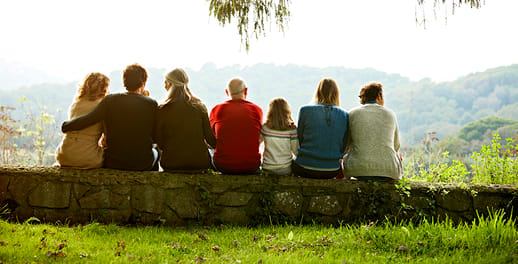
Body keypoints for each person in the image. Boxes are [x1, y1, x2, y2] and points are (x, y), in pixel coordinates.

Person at [61, 64, 159, 171]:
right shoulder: (151, 104)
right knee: (156, 152)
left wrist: (66, 126)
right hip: (142, 163)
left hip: (113, 161)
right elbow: (155, 136)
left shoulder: (110, 100)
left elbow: (89, 119)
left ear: (124, 82)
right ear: (143, 83)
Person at [155, 68, 216, 171]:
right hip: (199, 163)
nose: (164, 85)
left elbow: (159, 140)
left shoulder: (162, 109)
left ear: (170, 84)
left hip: (171, 163)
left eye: (165, 82)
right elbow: (210, 140)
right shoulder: (199, 106)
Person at [343, 81, 403, 182]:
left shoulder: (352, 114)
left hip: (357, 170)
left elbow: (346, 145)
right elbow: (396, 145)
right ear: (379, 96)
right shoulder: (390, 114)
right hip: (388, 170)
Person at [292, 78, 348, 179]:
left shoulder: (305, 110)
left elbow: (300, 139)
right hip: (332, 169)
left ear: (318, 91)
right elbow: (343, 146)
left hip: (304, 166)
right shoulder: (344, 115)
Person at [55, 72, 110, 169]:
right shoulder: (102, 107)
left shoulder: (75, 105)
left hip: (63, 154)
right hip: (86, 158)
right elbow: (107, 137)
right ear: (104, 88)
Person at [209, 77, 263, 174]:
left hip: (223, 165)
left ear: (227, 92)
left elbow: (211, 138)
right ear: (246, 90)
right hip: (251, 165)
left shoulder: (217, 110)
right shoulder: (257, 110)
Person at [260, 97, 298, 175]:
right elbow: (296, 151)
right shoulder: (292, 129)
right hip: (285, 169)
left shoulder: (265, 128)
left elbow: (257, 144)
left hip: (267, 167)